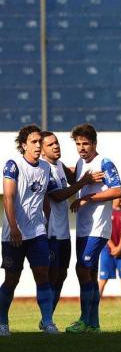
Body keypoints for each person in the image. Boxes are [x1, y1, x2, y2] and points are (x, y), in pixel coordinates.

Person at [0, 125, 59, 336]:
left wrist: (46, 221)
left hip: (36, 232)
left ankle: (48, 322)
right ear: (24, 145)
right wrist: (14, 227)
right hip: (13, 233)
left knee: (43, 275)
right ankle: (2, 323)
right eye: (33, 142)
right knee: (12, 278)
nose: (37, 145)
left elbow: (44, 198)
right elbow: (8, 196)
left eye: (39, 142)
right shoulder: (13, 165)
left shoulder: (45, 168)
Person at [40, 131, 104, 321]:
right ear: (42, 150)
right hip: (51, 232)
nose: (56, 146)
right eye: (50, 144)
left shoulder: (59, 165)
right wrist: (84, 181)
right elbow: (59, 195)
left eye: (57, 143)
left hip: (63, 233)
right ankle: (47, 319)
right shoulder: (44, 168)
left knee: (62, 275)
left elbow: (75, 176)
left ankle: (49, 319)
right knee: (52, 275)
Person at [65, 124, 121, 333]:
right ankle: (93, 325)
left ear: (94, 144)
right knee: (89, 272)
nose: (81, 148)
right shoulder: (80, 164)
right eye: (78, 144)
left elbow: (118, 189)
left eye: (86, 144)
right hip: (83, 229)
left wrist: (88, 198)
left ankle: (84, 320)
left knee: (81, 269)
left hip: (98, 229)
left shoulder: (104, 163)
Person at [99, 187, 121, 309]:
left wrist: (119, 246)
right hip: (107, 249)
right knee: (103, 277)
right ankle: (96, 302)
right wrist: (112, 245)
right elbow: (103, 229)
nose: (118, 198)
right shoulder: (107, 210)